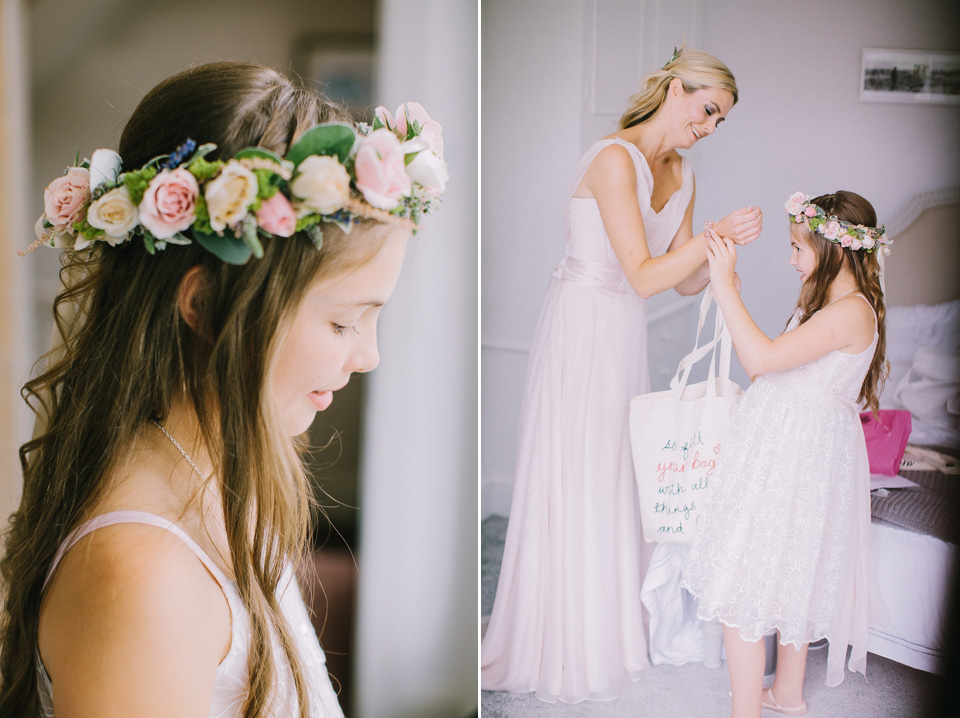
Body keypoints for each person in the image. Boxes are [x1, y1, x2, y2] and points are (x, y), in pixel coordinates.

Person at [0, 61, 446, 718]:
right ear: (204, 304)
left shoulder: (216, 469)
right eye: (344, 320)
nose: (369, 355)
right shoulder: (145, 579)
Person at [480, 48, 762, 702]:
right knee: (577, 468)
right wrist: (709, 235)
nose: (711, 127)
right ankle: (560, 633)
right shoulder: (613, 159)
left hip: (622, 334)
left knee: (615, 473)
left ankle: (608, 626)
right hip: (581, 325)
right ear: (674, 88)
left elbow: (682, 280)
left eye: (721, 120)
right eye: (708, 109)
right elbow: (639, 273)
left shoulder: (682, 173)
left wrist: (719, 257)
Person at [682, 191, 890, 718]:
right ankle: (788, 694)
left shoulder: (847, 312)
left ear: (834, 250)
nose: (791, 259)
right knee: (791, 573)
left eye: (798, 247)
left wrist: (726, 286)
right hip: (794, 448)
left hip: (793, 454)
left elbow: (760, 357)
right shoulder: (823, 305)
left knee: (742, 576)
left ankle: (744, 712)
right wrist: (733, 294)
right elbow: (765, 367)